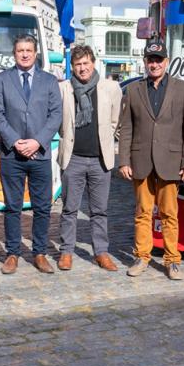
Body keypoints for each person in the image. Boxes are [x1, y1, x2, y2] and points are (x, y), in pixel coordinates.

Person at [117, 41, 184, 280]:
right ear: (144, 62)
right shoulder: (133, 90)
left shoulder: (183, 89)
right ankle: (142, 257)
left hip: (170, 162)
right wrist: (123, 160)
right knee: (142, 212)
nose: (154, 64)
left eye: (158, 59)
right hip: (141, 160)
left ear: (166, 61)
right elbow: (126, 128)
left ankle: (172, 260)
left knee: (169, 213)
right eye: (150, 59)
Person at [0, 34, 63, 274]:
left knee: (42, 207)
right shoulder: (1, 80)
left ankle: (40, 253)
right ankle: (12, 253)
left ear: (35, 53)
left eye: (29, 50)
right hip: (12, 155)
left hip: (40, 155)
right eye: (20, 50)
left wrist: (37, 142)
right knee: (12, 207)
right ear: (14, 54)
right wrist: (15, 142)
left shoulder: (50, 81)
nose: (24, 54)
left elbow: (55, 116)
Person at [56, 45, 123, 272]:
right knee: (69, 209)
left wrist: (105, 139)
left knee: (99, 210)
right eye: (77, 65)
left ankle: (101, 252)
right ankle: (66, 252)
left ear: (93, 63)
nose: (82, 68)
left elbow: (116, 121)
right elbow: (58, 122)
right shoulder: (64, 88)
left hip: (99, 160)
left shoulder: (111, 88)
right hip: (72, 158)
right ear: (72, 68)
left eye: (85, 63)